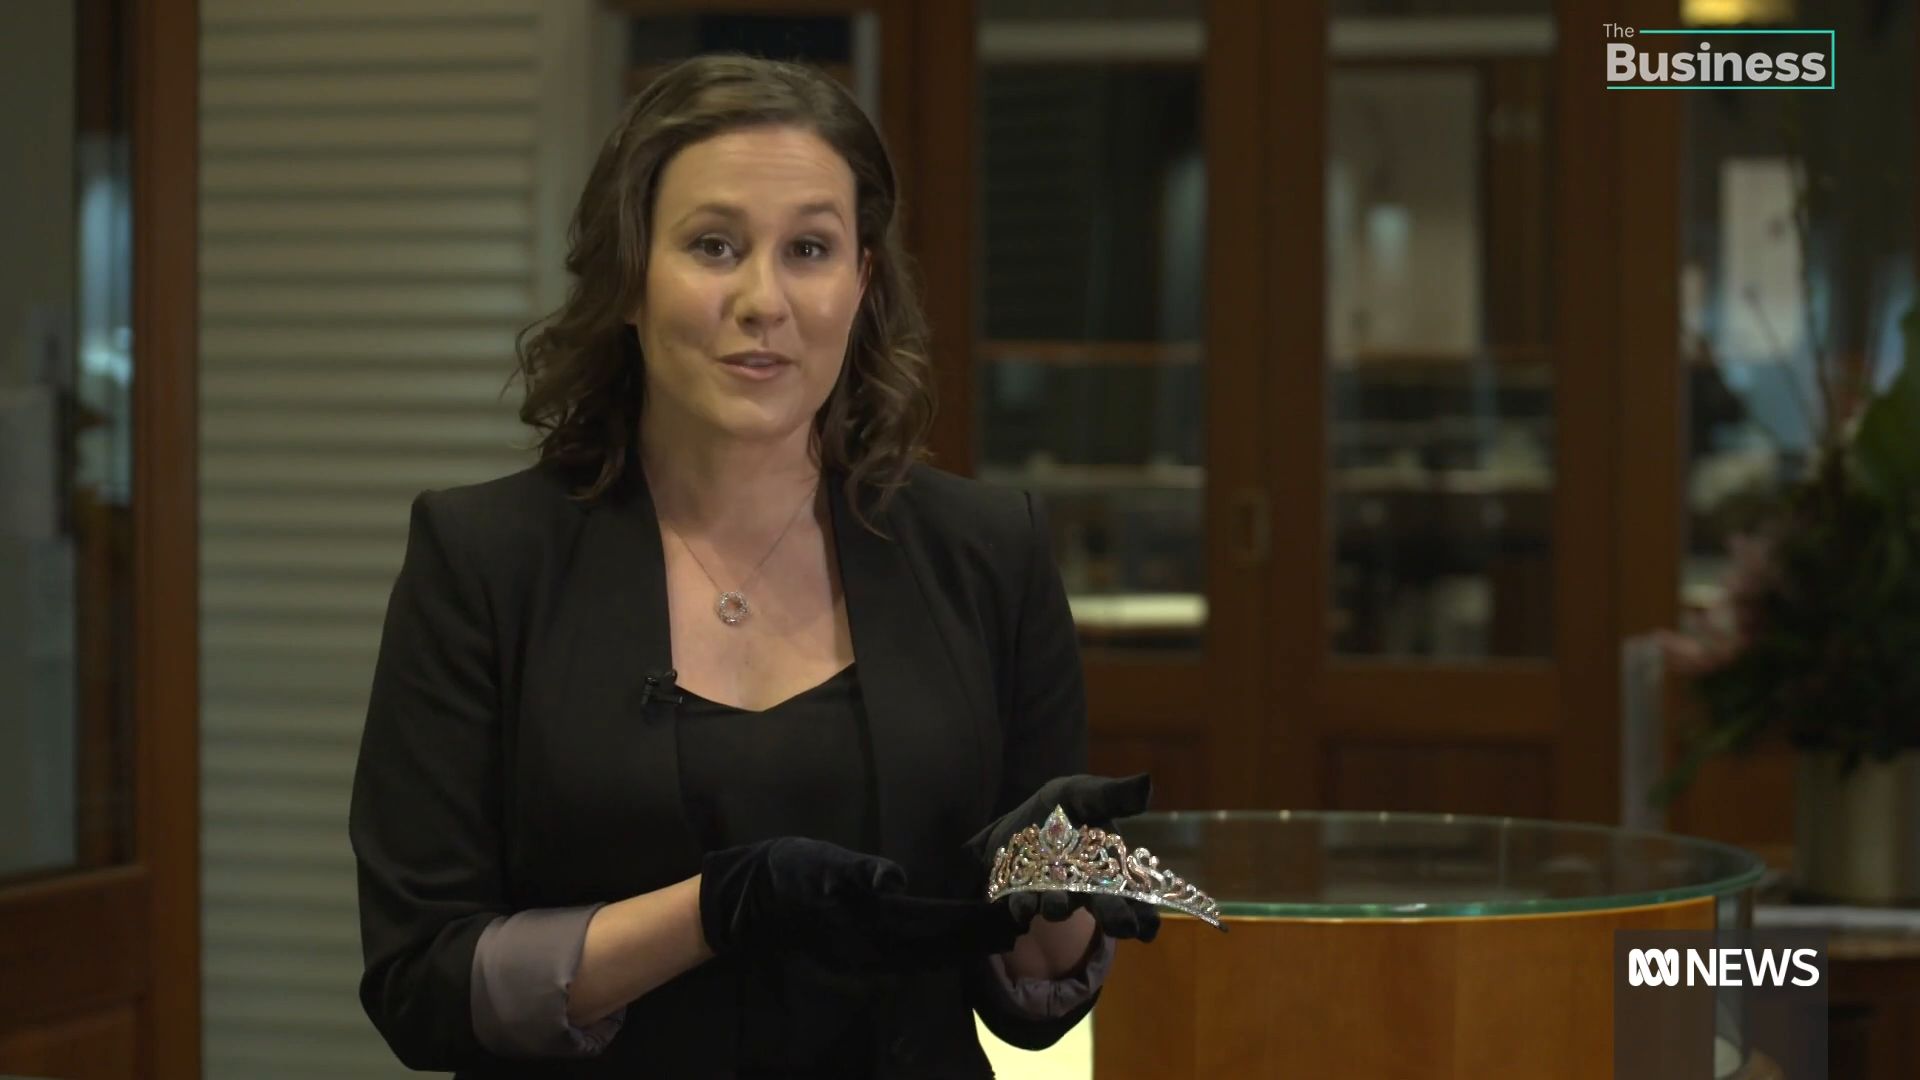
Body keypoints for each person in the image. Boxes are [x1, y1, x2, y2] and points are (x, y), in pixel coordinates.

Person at [348, 54, 1161, 1078]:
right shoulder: (483, 561)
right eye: (714, 246)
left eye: (809, 249)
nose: (762, 299)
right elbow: (424, 984)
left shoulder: (989, 553)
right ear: (629, 278)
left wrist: (1058, 898)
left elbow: (1034, 1007)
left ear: (863, 283)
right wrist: (713, 911)